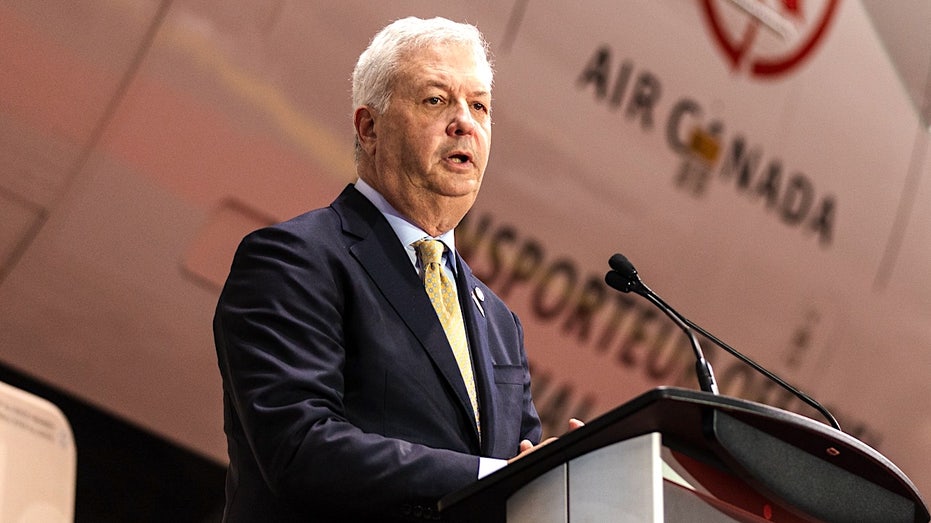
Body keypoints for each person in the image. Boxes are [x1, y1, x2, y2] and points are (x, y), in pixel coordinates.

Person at [214, 16, 578, 522]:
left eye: (479, 106)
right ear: (369, 128)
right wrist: (490, 477)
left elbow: (515, 477)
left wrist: (565, 476)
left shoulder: (498, 322)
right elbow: (301, 448)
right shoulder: (295, 259)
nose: (464, 123)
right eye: (435, 100)